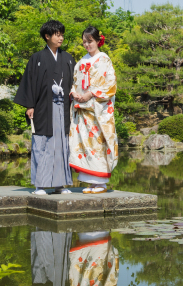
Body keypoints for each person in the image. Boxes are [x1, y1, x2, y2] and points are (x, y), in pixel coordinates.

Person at [14, 19, 75, 195]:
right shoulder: (37, 58)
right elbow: (30, 83)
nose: (61, 37)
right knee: (42, 143)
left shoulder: (68, 58)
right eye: (57, 34)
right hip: (42, 108)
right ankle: (40, 185)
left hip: (63, 108)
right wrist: (29, 105)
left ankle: (60, 184)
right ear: (47, 36)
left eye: (62, 34)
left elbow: (75, 83)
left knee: (62, 144)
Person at [68, 26, 118, 194]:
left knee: (97, 143)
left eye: (90, 41)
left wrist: (90, 94)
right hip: (83, 110)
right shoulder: (81, 61)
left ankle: (101, 183)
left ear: (98, 41)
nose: (87, 45)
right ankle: (91, 182)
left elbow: (109, 85)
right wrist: (74, 93)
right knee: (84, 144)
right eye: (84, 42)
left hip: (97, 110)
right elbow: (75, 82)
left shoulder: (104, 59)